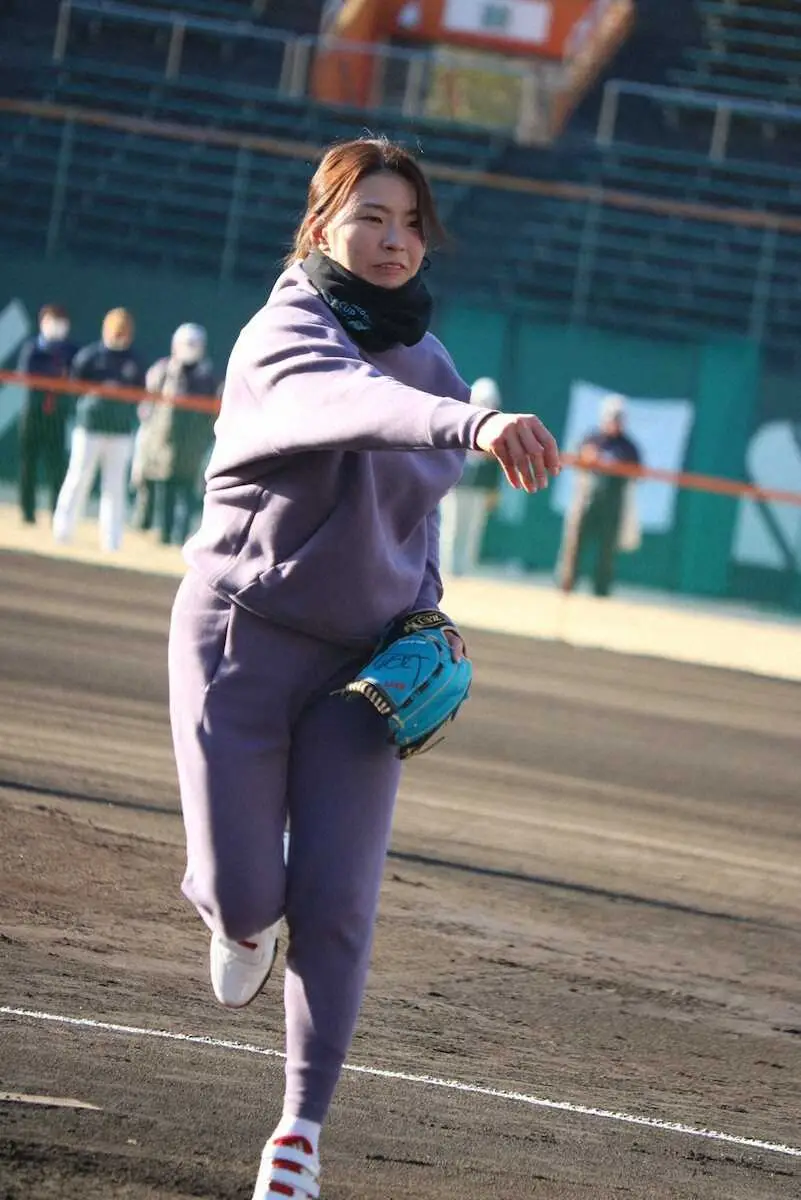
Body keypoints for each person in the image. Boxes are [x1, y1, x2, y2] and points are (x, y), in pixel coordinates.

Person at [167, 136, 560, 1200]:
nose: (394, 241)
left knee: (337, 903)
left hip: (360, 681)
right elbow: (346, 406)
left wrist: (426, 613)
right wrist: (471, 418)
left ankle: (298, 1134)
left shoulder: (428, 358)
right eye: (371, 218)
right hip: (242, 643)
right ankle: (236, 914)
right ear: (322, 226)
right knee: (249, 893)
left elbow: (413, 514)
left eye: (410, 224)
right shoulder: (282, 333)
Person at [52, 308, 144, 552]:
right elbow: (74, 388)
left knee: (114, 487)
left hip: (120, 432)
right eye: (115, 330)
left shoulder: (134, 361)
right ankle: (62, 530)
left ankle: (111, 541)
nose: (119, 335)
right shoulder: (90, 356)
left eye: (123, 331)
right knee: (78, 477)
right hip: (89, 429)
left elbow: (140, 394)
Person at [132, 323, 218, 545]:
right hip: (163, 444)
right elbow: (147, 406)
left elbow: (214, 413)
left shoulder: (209, 377)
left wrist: (206, 436)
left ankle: (182, 536)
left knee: (188, 492)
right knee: (164, 489)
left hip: (193, 447)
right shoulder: (162, 371)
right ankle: (163, 533)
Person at [559, 392, 642, 597]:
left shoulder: (628, 447)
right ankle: (566, 585)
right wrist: (588, 458)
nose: (615, 421)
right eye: (612, 416)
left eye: (619, 417)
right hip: (587, 499)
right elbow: (574, 460)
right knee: (574, 545)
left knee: (606, 551)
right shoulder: (591, 439)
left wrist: (614, 466)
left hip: (612, 504)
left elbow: (638, 474)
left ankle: (601, 591)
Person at [16, 304, 78, 525]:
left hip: (57, 415)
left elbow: (74, 376)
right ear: (43, 322)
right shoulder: (32, 347)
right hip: (33, 413)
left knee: (56, 466)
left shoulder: (70, 351)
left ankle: (56, 513)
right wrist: (55, 375)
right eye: (53, 321)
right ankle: (27, 512)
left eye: (61, 322)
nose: (57, 327)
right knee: (28, 464)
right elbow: (27, 374)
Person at [439, 375, 503, 575]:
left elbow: (496, 463)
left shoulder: (497, 425)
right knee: (452, 527)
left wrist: (493, 490)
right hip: (456, 483)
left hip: (480, 486)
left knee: (473, 529)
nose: (486, 404)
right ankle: (447, 569)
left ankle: (465, 569)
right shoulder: (460, 417)